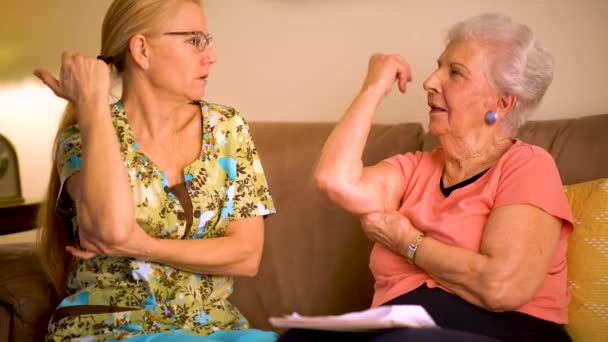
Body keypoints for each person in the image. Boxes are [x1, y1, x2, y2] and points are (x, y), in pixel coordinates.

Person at [285, 13, 573, 342]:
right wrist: (373, 88)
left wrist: (406, 241)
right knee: (299, 339)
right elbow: (335, 181)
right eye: (439, 66)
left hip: (508, 331)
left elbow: (501, 287)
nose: (430, 81)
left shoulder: (527, 166)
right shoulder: (415, 168)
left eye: (454, 72)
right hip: (401, 327)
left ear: (502, 102)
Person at [35, 0, 277, 341]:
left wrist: (144, 244)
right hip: (111, 329)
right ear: (142, 49)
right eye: (194, 40)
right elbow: (111, 230)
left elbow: (247, 256)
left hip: (215, 328)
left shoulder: (228, 127)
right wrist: (91, 103)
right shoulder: (81, 138)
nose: (211, 55)